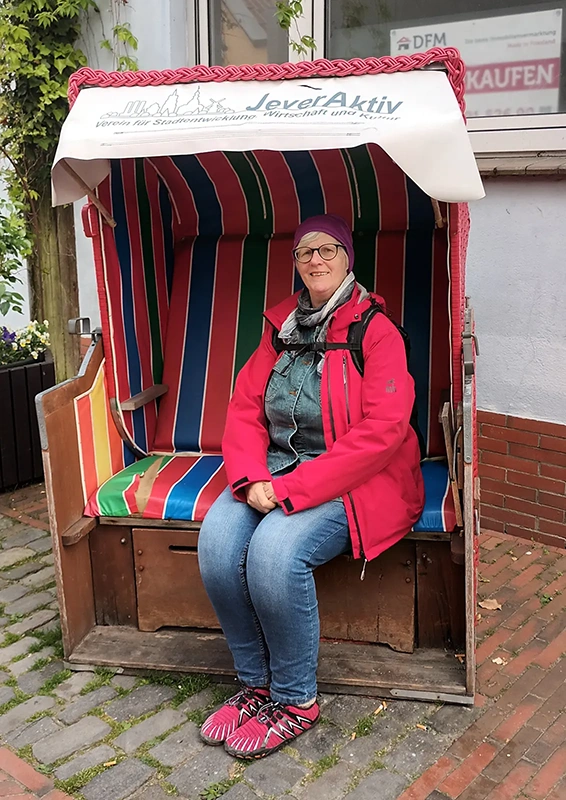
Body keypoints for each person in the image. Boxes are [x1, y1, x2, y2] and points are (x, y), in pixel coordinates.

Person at [197, 214, 424, 760]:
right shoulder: (281, 331)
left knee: (275, 553)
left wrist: (293, 489)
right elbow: (244, 408)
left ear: (347, 258)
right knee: (216, 545)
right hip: (273, 473)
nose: (315, 261)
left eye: (326, 250)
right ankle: (256, 686)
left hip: (353, 480)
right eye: (304, 253)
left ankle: (295, 700)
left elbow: (383, 431)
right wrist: (251, 477)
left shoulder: (376, 331)